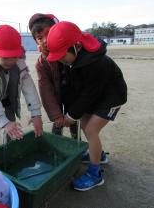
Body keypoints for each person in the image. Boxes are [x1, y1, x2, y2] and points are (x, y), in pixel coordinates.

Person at [46, 21, 127, 191]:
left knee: (91, 130)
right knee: (84, 124)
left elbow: (89, 94)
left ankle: (95, 174)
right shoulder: (73, 60)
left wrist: (70, 116)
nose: (60, 59)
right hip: (96, 96)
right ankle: (99, 154)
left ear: (76, 46)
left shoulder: (96, 63)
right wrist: (70, 112)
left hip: (112, 97)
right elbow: (75, 90)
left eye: (62, 55)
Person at [0, 25, 43, 150]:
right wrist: (2, 120)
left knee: (12, 125)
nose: (11, 61)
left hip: (9, 99)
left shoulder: (19, 64)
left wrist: (36, 113)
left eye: (14, 56)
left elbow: (29, 87)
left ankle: (8, 149)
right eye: (5, 57)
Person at [28, 13, 79, 138]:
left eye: (49, 34)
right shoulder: (41, 63)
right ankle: (57, 145)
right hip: (57, 97)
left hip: (73, 95)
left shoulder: (73, 50)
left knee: (73, 120)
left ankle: (76, 141)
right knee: (57, 123)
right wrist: (56, 115)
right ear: (36, 42)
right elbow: (45, 90)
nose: (45, 40)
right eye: (40, 38)